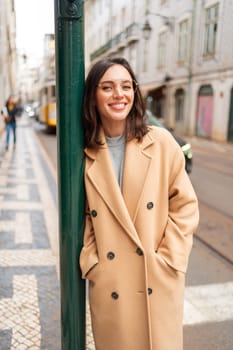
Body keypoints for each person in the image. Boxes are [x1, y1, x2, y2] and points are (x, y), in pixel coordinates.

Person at [79, 57, 199, 350]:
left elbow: (185, 205)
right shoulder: (84, 153)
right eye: (107, 87)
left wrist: (170, 258)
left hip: (155, 279)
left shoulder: (160, 142)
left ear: (135, 92)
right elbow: (82, 217)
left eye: (126, 86)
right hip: (112, 284)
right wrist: (93, 263)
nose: (119, 95)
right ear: (93, 97)